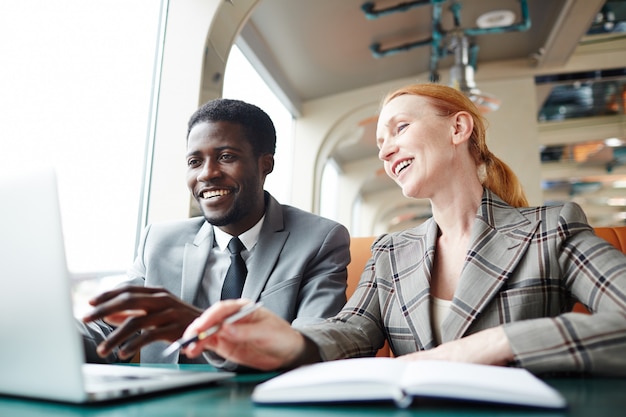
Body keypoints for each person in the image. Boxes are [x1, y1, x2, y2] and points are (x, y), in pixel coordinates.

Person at [181, 83, 626, 376]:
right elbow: (352, 330)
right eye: (379, 144)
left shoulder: (551, 228)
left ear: (458, 127)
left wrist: (494, 344)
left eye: (400, 128)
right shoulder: (392, 251)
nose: (387, 150)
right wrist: (290, 340)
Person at [79, 98, 350, 368]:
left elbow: (313, 347)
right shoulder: (159, 241)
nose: (207, 174)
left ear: (265, 164)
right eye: (195, 161)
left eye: (226, 157)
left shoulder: (321, 240)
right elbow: (105, 329)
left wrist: (204, 328)